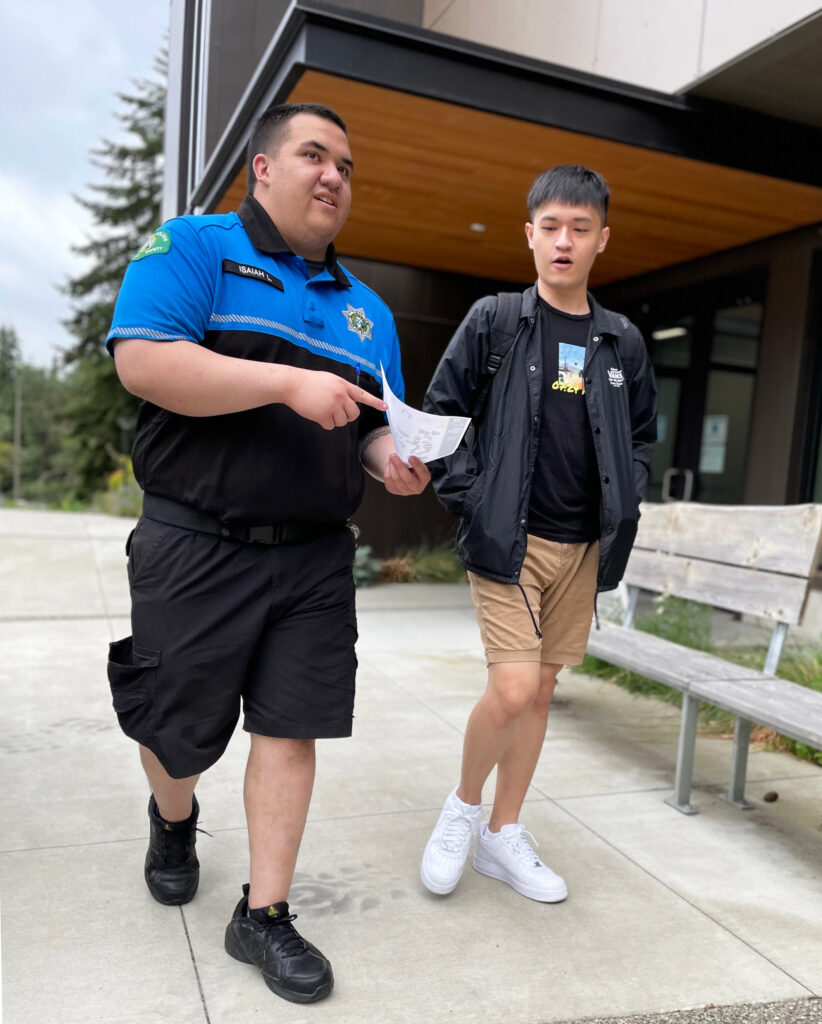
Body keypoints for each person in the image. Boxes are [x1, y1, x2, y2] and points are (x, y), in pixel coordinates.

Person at [106, 101, 430, 1004]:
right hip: (194, 543)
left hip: (316, 559)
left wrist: (389, 461)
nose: (335, 176)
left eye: (347, 166)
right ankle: (174, 819)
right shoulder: (195, 249)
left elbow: (366, 430)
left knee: (291, 729)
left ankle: (265, 914)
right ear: (262, 169)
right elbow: (144, 361)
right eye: (316, 156)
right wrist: (287, 382)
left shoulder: (367, 312)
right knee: (176, 730)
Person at [420, 165, 656, 903]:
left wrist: (628, 496)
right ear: (529, 234)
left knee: (543, 688)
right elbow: (441, 416)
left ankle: (504, 832)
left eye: (579, 230)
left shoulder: (621, 340)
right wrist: (472, 499)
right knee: (514, 685)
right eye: (550, 227)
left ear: (601, 241)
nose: (563, 241)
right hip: (509, 541)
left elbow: (642, 435)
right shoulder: (495, 319)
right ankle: (462, 808)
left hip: (583, 546)